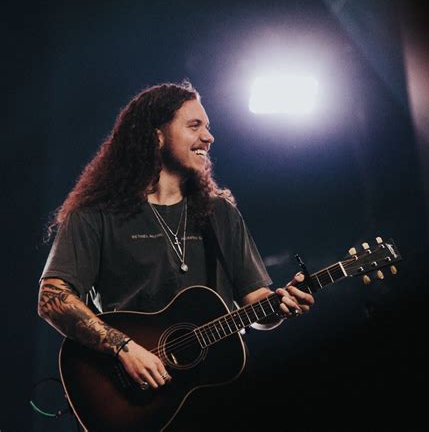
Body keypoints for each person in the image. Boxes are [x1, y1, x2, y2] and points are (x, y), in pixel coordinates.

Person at [38, 81, 314, 423]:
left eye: (208, 127)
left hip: (217, 398)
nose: (209, 138)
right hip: (135, 402)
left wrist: (280, 305)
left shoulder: (219, 213)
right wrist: (124, 347)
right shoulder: (95, 215)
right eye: (194, 126)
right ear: (157, 136)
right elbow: (52, 298)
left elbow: (256, 304)